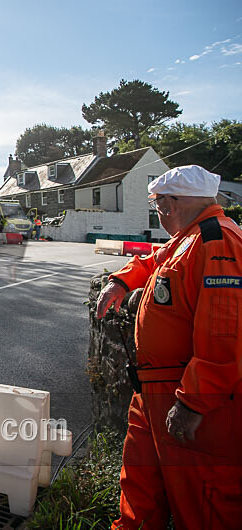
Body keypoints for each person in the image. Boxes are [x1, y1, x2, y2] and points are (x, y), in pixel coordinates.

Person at [95, 165, 242, 529]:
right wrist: (121, 280)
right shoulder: (190, 238)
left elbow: (224, 333)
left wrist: (194, 402)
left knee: (203, 499)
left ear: (170, 203)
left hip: (190, 395)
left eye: (157, 204)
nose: (158, 212)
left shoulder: (217, 241)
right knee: (140, 487)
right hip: (156, 391)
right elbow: (154, 261)